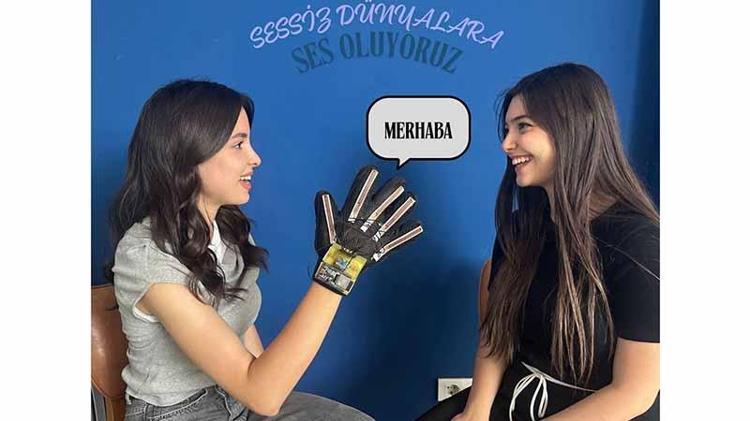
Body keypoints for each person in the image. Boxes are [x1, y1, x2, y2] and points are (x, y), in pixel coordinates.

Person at [103, 79, 423, 420]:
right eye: (238, 145)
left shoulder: (228, 231)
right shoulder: (147, 257)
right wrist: (337, 270)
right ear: (187, 153)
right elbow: (262, 393)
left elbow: (256, 371)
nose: (255, 158)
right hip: (176, 414)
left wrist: (264, 394)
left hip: (237, 400)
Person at [417, 63, 660, 420]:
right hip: (518, 396)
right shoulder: (521, 229)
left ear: (572, 128)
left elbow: (634, 392)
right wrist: (476, 411)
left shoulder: (640, 244)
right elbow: (495, 337)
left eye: (523, 127)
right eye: (507, 129)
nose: (506, 144)